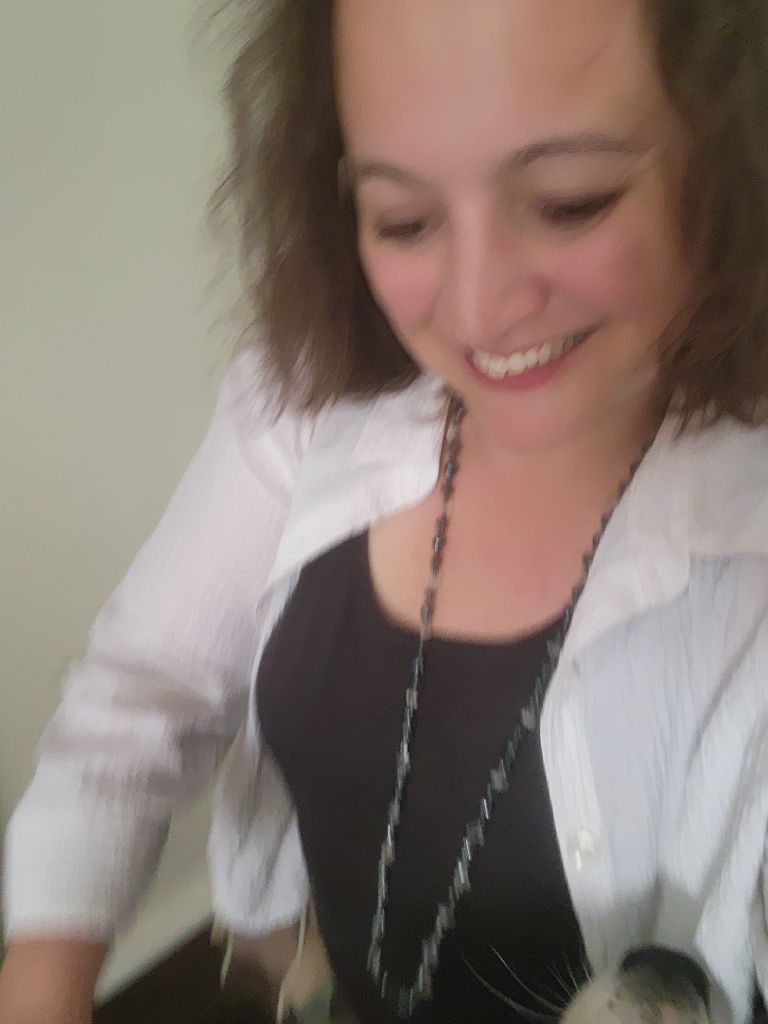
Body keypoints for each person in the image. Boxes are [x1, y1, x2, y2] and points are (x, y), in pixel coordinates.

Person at [2, 0, 768, 1021]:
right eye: (403, 219)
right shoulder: (306, 403)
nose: (477, 307)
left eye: (571, 202)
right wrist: (41, 981)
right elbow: (138, 695)